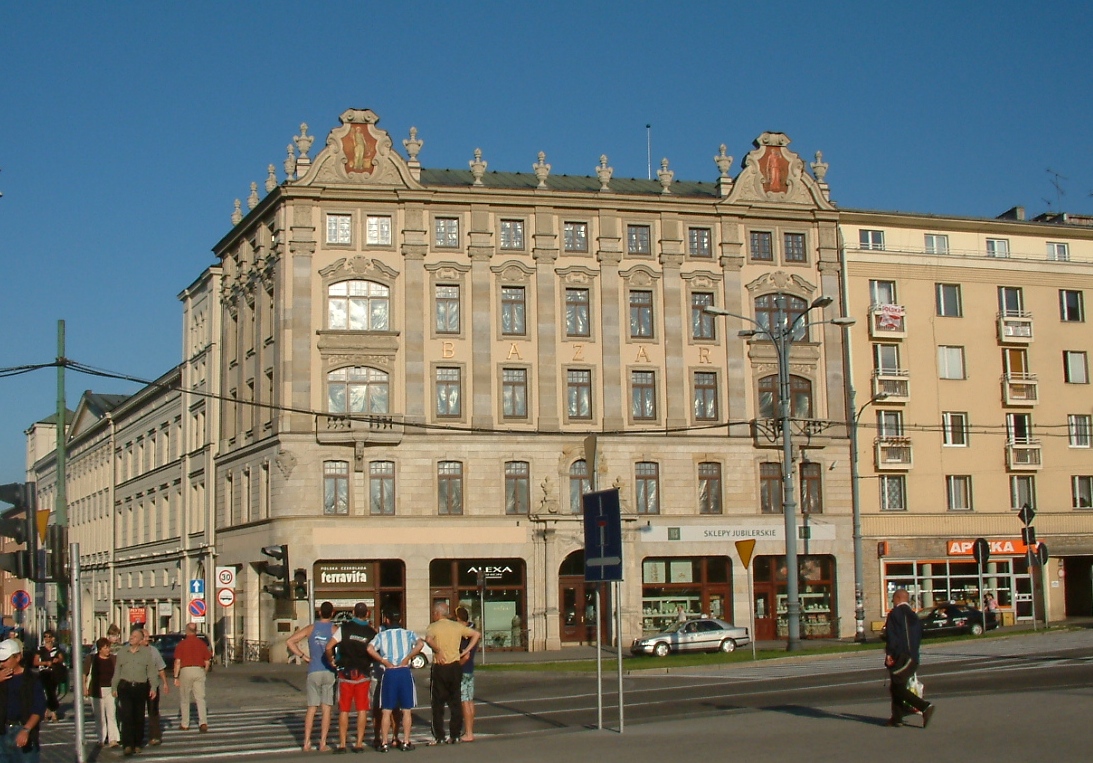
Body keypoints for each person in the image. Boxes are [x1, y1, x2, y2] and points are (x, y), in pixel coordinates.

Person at [366, 611, 424, 752]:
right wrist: (408, 656)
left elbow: (369, 648)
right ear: (401, 619)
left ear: (387, 620)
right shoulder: (408, 634)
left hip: (390, 671)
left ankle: (384, 742)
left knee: (386, 710)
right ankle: (406, 741)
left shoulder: (381, 635)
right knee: (406, 710)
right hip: (404, 671)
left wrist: (383, 660)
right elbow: (420, 644)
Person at [324, 602, 378, 754]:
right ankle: (359, 744)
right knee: (362, 709)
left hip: (345, 673)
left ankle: (342, 744)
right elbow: (375, 652)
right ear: (367, 614)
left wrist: (332, 660)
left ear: (353, 612)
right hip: (363, 674)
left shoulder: (344, 628)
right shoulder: (370, 633)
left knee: (344, 710)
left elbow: (329, 647)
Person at [424, 602, 479, 746]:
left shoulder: (433, 626)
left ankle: (440, 735)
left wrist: (438, 650)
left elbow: (428, 639)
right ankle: (455, 734)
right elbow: (476, 634)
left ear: (437, 613)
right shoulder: (456, 626)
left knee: (437, 703)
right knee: (455, 701)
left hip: (440, 666)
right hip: (455, 666)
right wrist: (466, 651)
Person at [286, 601, 337, 752]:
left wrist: (303, 656)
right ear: (332, 613)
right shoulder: (334, 629)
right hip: (329, 670)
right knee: (326, 707)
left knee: (311, 708)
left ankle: (306, 742)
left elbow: (290, 641)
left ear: (320, 612)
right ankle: (322, 743)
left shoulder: (311, 628)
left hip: (313, 669)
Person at [883, 588, 935, 728]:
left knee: (897, 685)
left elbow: (892, 636)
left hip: (902, 656)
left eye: (893, 599)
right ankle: (897, 718)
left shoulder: (895, 614)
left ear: (898, 598)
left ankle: (925, 707)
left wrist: (889, 654)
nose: (892, 602)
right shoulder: (914, 615)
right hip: (913, 655)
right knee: (896, 685)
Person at [110, 627, 160, 756]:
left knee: (138, 716)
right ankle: (127, 744)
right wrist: (114, 687)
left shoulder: (146, 653)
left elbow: (152, 673)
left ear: (140, 640)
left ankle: (137, 743)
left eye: (135, 637)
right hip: (125, 687)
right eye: (131, 636)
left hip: (140, 687)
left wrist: (154, 687)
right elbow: (117, 672)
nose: (132, 638)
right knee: (127, 716)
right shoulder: (122, 652)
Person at [0, 638, 46, 763]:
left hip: (22, 730)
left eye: (5, 660)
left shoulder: (31, 679)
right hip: (2, 732)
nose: (2, 663)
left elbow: (39, 708)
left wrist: (26, 730)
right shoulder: (1, 677)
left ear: (17, 657)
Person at [172, 623, 213, 732]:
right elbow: (207, 661)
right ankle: (203, 722)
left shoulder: (182, 644)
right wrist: (204, 671)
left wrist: (176, 677)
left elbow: (177, 661)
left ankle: (185, 724)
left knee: (185, 698)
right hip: (199, 670)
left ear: (187, 631)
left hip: (186, 670)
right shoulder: (201, 644)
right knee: (200, 698)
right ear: (196, 631)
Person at [85, 637, 120, 748]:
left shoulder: (113, 659)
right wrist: (84, 688)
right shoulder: (92, 659)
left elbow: (118, 673)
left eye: (108, 647)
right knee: (99, 716)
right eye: (105, 648)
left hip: (110, 689)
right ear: (100, 649)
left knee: (111, 714)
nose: (107, 650)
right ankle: (101, 738)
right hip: (96, 690)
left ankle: (113, 738)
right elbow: (84, 673)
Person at [454, 606, 479, 742]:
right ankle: (469, 731)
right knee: (469, 701)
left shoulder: (466, 634)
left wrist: (456, 666)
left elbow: (466, 656)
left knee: (465, 702)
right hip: (469, 670)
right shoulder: (471, 630)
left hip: (463, 670)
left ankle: (469, 733)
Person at [139, 631, 168, 746]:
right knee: (138, 711)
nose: (148, 639)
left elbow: (161, 668)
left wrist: (165, 683)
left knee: (153, 710)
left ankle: (155, 736)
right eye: (145, 637)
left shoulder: (153, 651)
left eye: (148, 637)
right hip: (138, 684)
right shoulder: (132, 650)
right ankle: (138, 737)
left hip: (152, 684)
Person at [32, 630, 65, 723]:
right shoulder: (40, 649)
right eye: (45, 637)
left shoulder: (56, 649)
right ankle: (53, 712)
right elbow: (35, 662)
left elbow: (61, 658)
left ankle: (47, 712)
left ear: (53, 638)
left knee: (52, 692)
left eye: (49, 637)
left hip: (54, 672)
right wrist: (45, 662)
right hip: (44, 672)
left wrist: (57, 660)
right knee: (48, 691)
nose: (47, 639)